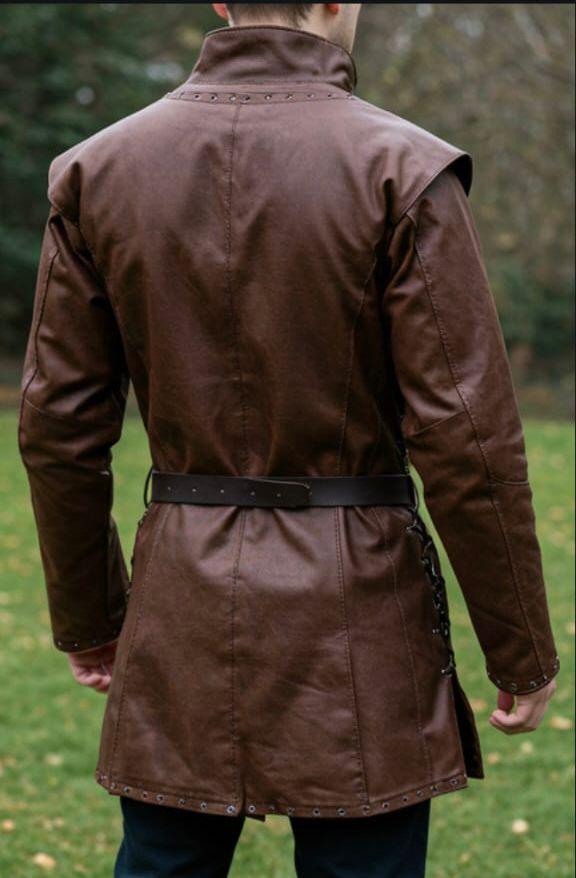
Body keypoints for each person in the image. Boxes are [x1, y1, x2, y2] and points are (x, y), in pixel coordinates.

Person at [17, 3, 560, 876]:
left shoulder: (97, 170)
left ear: (221, 1)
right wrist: (521, 650)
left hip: (181, 602)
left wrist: (89, 618)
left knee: (165, 860)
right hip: (360, 605)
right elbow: (468, 439)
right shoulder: (403, 169)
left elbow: (58, 427)